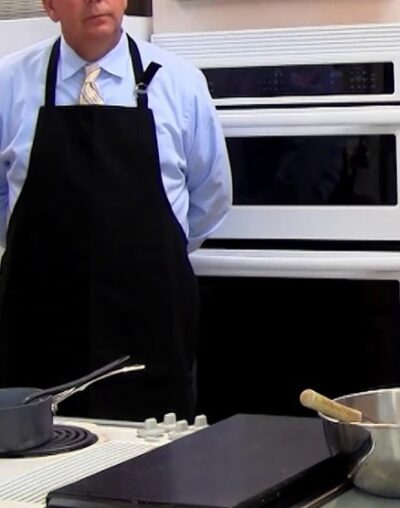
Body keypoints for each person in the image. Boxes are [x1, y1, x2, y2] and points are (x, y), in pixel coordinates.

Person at [0, 0, 232, 421]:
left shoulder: (180, 82)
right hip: (39, 325)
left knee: (157, 456)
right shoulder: (8, 82)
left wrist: (151, 252)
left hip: (150, 328)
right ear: (50, 6)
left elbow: (210, 196)